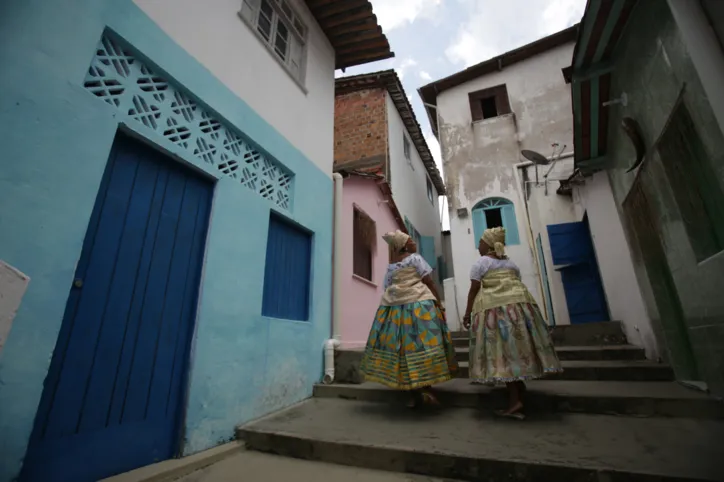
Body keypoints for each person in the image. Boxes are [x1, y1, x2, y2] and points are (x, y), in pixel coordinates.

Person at [463, 227, 562, 419]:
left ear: (488, 244)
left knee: (503, 352)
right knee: (515, 349)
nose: (478, 245)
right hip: (519, 312)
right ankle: (518, 388)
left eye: (481, 242)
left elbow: (474, 289)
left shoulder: (481, 264)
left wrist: (467, 314)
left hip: (494, 313)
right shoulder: (511, 264)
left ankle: (515, 401)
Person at [360, 230, 458, 407]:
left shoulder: (392, 266)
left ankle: (415, 393)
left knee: (404, 348)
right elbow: (429, 281)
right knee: (423, 344)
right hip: (420, 306)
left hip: (396, 310)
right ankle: (425, 388)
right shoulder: (416, 259)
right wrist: (439, 303)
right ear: (404, 245)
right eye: (410, 239)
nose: (414, 242)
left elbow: (388, 286)